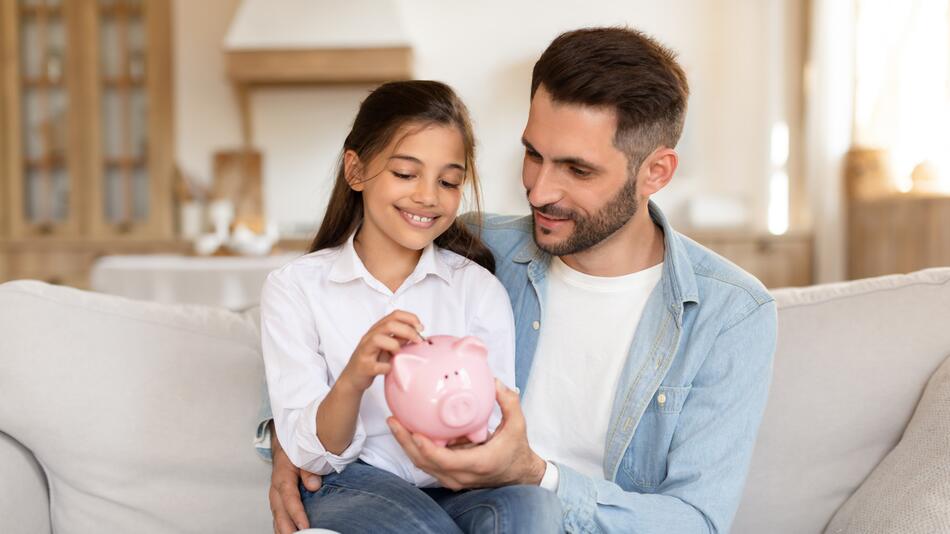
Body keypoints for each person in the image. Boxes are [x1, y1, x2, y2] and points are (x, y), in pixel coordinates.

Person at [260, 27, 778, 534]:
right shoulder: (475, 246)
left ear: (656, 173)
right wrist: (293, 443)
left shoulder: (729, 313)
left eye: (577, 170)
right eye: (533, 155)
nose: (537, 191)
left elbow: (697, 522)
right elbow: (319, 315)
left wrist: (536, 475)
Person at [259, 80, 562, 534]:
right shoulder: (296, 288)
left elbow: (491, 422)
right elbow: (308, 452)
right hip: (354, 481)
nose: (427, 196)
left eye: (448, 181)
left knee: (534, 511)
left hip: (461, 486)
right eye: (405, 174)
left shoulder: (476, 289)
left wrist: (466, 426)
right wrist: (354, 378)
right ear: (356, 171)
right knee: (421, 527)